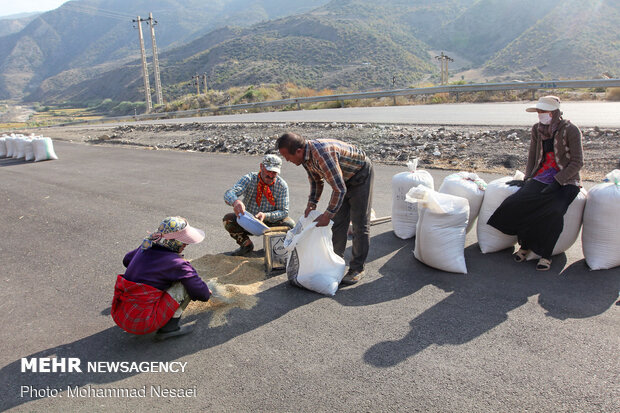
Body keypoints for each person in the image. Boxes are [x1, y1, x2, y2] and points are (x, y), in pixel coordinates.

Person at [487, 96, 584, 271]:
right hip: (541, 176)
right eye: (538, 111)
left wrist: (558, 182)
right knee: (518, 203)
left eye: (543, 111)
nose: (540, 115)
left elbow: (577, 162)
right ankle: (525, 245)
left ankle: (545, 255)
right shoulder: (537, 129)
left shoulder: (571, 129)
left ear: (554, 113)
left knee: (554, 211)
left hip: (567, 180)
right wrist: (527, 179)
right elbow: (533, 156)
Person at [276, 132, 374, 285]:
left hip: (359, 174)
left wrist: (327, 214)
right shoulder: (305, 158)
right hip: (342, 180)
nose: (287, 160)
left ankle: (357, 268)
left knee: (359, 224)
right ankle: (335, 262)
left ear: (299, 151)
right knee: (338, 222)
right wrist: (312, 203)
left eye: (287, 156)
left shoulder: (322, 154)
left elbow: (339, 189)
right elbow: (316, 181)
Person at [111, 217, 211, 341]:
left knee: (167, 278)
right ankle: (170, 328)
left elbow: (127, 260)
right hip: (141, 322)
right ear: (174, 242)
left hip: (120, 314)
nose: (186, 244)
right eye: (183, 241)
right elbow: (202, 294)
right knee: (184, 285)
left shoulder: (146, 247)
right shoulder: (178, 264)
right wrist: (205, 290)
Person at [223, 154, 294, 256]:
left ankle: (275, 248)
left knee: (290, 224)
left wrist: (265, 216)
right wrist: (236, 202)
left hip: (269, 223)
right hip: (248, 221)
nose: (271, 175)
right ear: (261, 167)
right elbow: (229, 193)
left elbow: (283, 211)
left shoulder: (281, 185)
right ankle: (246, 245)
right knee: (228, 220)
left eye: (274, 172)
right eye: (268, 171)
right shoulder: (250, 178)